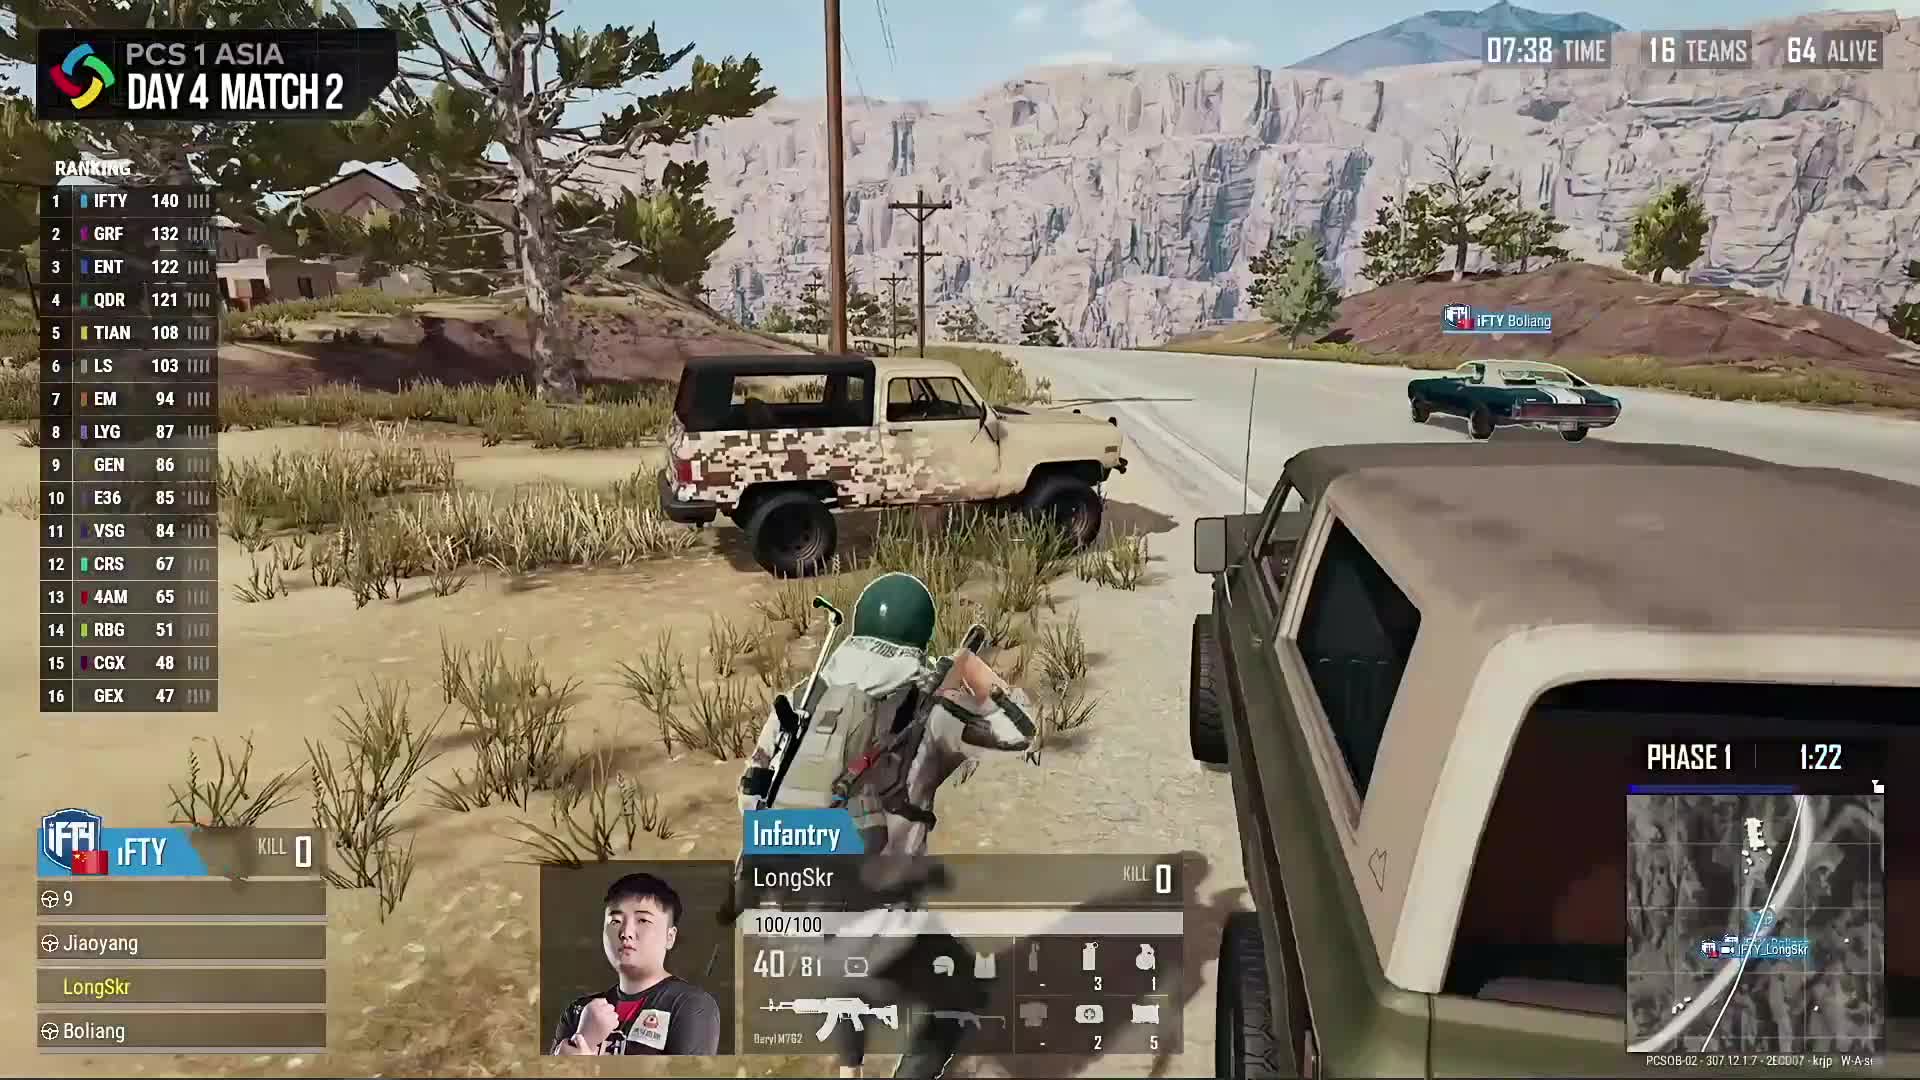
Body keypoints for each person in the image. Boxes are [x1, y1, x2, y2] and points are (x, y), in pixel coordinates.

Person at [738, 572, 1035, 1079]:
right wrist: (970, 668)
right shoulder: (935, 712)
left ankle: (848, 1071)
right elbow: (1023, 732)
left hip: (778, 919)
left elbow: (750, 799)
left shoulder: (804, 699)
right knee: (963, 986)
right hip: (873, 926)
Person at [549, 872, 722, 1055]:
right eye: (615, 921)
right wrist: (585, 1038)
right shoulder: (578, 1011)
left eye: (643, 920)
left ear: (670, 937)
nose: (626, 933)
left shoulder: (691, 1005)